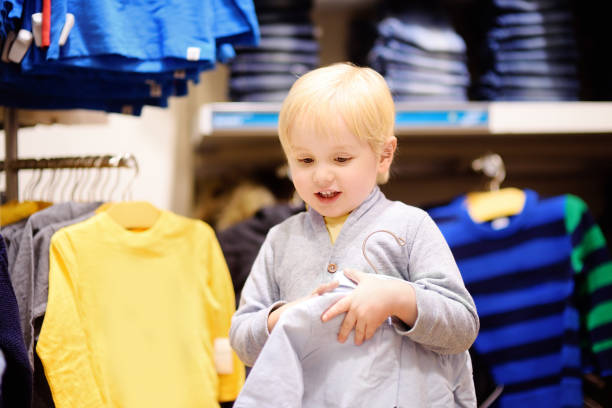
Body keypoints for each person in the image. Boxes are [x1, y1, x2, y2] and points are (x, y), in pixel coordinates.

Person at [229, 62, 480, 406]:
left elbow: (462, 327)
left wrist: (398, 299)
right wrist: (278, 319)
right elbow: (242, 340)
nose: (321, 175)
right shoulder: (280, 240)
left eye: (341, 158)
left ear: (383, 155)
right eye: (304, 160)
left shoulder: (411, 226)